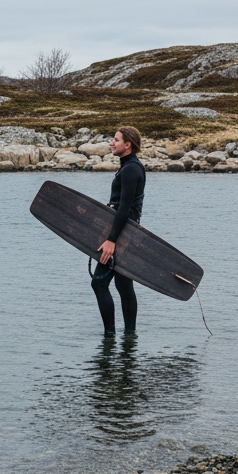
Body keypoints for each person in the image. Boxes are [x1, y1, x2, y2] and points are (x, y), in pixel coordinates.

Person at [91, 126, 146, 336]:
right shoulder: (129, 166)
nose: (111, 143)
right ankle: (130, 335)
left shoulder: (132, 168)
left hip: (122, 234)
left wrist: (112, 240)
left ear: (128, 144)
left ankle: (109, 335)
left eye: (116, 139)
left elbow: (124, 207)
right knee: (124, 286)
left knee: (99, 283)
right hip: (127, 232)